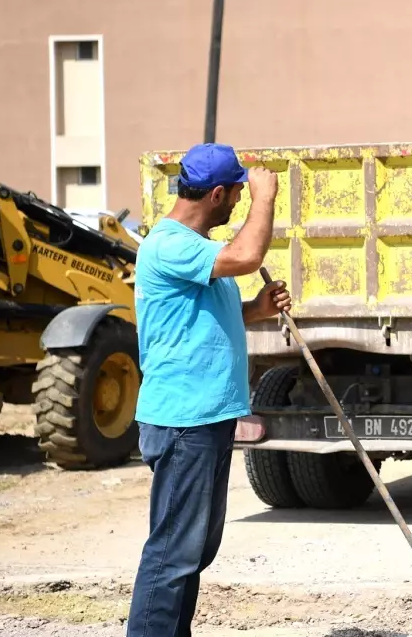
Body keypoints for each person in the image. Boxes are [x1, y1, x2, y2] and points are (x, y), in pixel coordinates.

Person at [127, 143, 291, 637]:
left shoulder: (198, 252)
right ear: (217, 194)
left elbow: (203, 321)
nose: (242, 200)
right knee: (174, 552)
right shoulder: (170, 244)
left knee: (194, 550)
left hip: (207, 419)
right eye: (238, 192)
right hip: (184, 421)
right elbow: (248, 254)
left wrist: (255, 311)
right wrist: (267, 197)